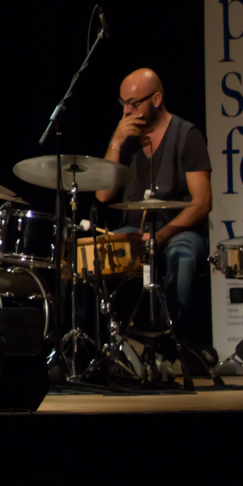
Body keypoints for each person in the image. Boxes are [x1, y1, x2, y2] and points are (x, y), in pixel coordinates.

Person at [95, 68, 212, 344]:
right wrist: (116, 143)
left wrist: (159, 238)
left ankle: (174, 347)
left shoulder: (187, 135)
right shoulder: (126, 139)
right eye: (123, 103)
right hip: (134, 228)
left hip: (179, 229)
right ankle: (115, 346)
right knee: (92, 260)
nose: (126, 111)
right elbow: (103, 195)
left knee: (181, 259)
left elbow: (202, 203)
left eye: (133, 103)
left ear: (156, 99)